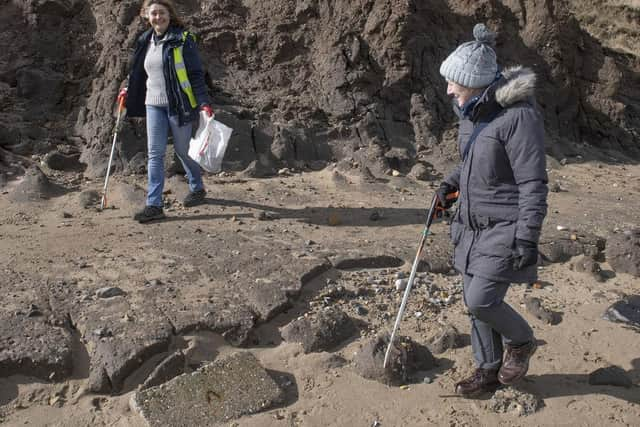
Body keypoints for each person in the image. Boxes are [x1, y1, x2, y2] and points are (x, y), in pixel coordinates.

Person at [436, 23, 548, 397]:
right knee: (475, 306)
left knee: (481, 299)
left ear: (479, 84)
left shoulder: (519, 118)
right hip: (470, 224)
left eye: (456, 83)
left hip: (505, 225)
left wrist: (527, 238)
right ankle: (487, 371)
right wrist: (449, 184)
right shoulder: (472, 114)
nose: (449, 90)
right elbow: (472, 162)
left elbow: (533, 183)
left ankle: (522, 341)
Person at [118, 0, 213, 223]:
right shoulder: (144, 40)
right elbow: (138, 73)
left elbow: (196, 75)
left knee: (182, 149)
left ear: (169, 15)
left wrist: (203, 102)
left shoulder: (182, 40)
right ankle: (154, 205)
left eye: (162, 13)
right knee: (155, 154)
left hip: (177, 104)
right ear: (146, 16)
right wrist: (127, 89)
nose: (158, 17)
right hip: (153, 104)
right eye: (153, 14)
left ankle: (197, 187)